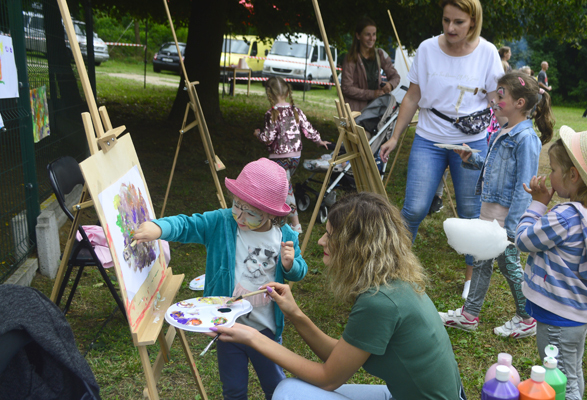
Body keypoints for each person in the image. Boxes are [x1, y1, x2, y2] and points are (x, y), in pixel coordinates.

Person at [210, 192, 466, 400]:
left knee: (288, 394)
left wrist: (253, 337)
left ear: (357, 247)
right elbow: (340, 356)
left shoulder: (379, 302)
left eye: (330, 236)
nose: (321, 241)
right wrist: (295, 314)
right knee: (291, 389)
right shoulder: (391, 285)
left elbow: (329, 378)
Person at [133, 158, 308, 400]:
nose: (241, 217)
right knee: (233, 389)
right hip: (228, 327)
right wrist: (159, 228)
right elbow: (188, 224)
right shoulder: (222, 223)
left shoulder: (285, 235)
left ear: (272, 214)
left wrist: (291, 265)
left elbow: (300, 271)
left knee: (276, 386)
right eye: (237, 205)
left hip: (265, 330)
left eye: (252, 213)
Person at [379, 0, 504, 300]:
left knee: (471, 213)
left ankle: (471, 282)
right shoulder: (426, 49)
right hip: (429, 139)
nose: (450, 28)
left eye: (458, 22)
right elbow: (413, 96)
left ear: (473, 22)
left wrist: (504, 138)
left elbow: (498, 102)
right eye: (446, 20)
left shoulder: (487, 53)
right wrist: (395, 137)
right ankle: (396, 271)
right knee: (414, 208)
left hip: (470, 143)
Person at [439, 71, 554, 338]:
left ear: (520, 103)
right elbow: (493, 168)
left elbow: (524, 185)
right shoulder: (503, 131)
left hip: (505, 218)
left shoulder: (525, 139)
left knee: (508, 264)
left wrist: (512, 227)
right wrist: (471, 158)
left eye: (501, 95)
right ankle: (469, 315)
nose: (495, 99)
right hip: (489, 209)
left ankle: (527, 318)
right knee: (480, 260)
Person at [517, 126, 587, 400]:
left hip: (557, 318)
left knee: (559, 382)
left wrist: (538, 205)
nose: (550, 175)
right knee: (572, 373)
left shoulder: (565, 217)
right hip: (578, 317)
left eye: (553, 169)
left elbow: (523, 240)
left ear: (573, 175)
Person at [254, 77, 331, 234]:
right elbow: (308, 129)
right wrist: (318, 140)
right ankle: (278, 220)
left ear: (269, 93)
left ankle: (294, 225)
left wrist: (258, 134)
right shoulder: (296, 111)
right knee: (283, 187)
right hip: (295, 158)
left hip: (278, 158)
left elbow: (268, 139)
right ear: (288, 91)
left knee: (285, 189)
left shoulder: (271, 114)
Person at [341, 17, 401, 112]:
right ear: (358, 36)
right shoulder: (350, 58)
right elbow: (346, 88)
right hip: (356, 112)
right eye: (367, 35)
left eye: (374, 34)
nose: (371, 38)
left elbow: (395, 76)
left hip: (376, 111)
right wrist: (372, 94)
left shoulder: (380, 54)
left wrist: (390, 85)